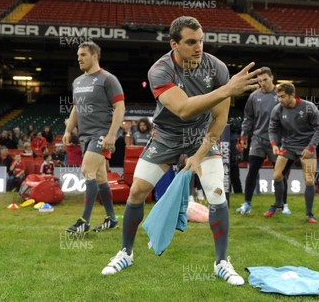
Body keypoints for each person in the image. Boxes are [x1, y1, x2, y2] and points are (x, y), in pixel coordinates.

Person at [101, 16, 261, 285]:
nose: (198, 47)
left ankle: (222, 262)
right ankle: (126, 253)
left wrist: (199, 155)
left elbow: (219, 119)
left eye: (201, 40)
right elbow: (184, 109)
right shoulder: (160, 71)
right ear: (173, 44)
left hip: (202, 135)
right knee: (137, 191)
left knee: (216, 192)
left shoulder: (217, 68)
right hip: (166, 136)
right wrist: (227, 89)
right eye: (190, 42)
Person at [64, 41, 126, 235]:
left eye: (83, 55)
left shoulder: (108, 79)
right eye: (78, 55)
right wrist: (68, 130)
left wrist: (111, 134)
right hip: (85, 135)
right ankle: (111, 218)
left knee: (86, 170)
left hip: (102, 133)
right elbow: (76, 108)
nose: (79, 58)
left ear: (94, 56)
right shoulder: (77, 81)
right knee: (100, 177)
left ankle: (84, 221)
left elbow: (120, 107)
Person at [266, 82, 319, 223]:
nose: (279, 100)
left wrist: (310, 148)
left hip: (307, 147)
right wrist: (274, 144)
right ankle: (278, 205)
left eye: (282, 96)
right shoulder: (277, 110)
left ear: (292, 95)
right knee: (277, 175)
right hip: (288, 146)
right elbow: (272, 129)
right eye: (278, 97)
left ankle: (309, 214)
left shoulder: (308, 107)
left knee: (309, 180)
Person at [236, 67, 292, 215]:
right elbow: (248, 118)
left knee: (280, 174)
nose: (262, 83)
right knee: (251, 171)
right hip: (258, 140)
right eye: (260, 81)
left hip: (277, 141)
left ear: (272, 78)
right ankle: (247, 204)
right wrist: (243, 134)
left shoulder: (281, 95)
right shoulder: (254, 97)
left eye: (265, 79)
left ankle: (284, 204)